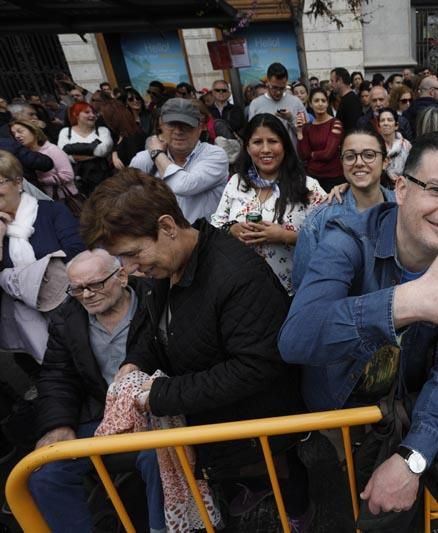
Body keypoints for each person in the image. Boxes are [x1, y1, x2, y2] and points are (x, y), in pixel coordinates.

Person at [80, 168, 312, 529]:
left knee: (284, 495)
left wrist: (160, 394)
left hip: (258, 436)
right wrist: (134, 363)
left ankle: (297, 515)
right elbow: (153, 329)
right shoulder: (165, 266)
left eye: (133, 253)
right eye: (121, 259)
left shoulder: (237, 275)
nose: (130, 269)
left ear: (168, 226)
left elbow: (255, 367)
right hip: (217, 434)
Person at [279, 132, 438, 528]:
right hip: (340, 411)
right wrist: (409, 302)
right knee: (350, 505)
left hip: (408, 409)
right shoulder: (347, 236)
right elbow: (298, 337)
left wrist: (414, 457)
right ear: (403, 189)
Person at [29, 249, 165, 533]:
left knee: (159, 457)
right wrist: (58, 425)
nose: (87, 295)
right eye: (77, 289)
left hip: (155, 411)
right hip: (99, 417)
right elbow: (57, 376)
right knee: (46, 475)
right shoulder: (67, 318)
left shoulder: (156, 300)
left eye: (96, 285)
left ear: (122, 276)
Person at [211, 113, 326, 295]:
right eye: (257, 142)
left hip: (294, 292)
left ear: (285, 146)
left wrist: (285, 236)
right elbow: (215, 226)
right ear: (247, 147)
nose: (265, 149)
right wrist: (232, 229)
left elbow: (329, 236)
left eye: (273, 141)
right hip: (244, 291)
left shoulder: (308, 187)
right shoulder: (236, 182)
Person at [0, 150, 84, 360]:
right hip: (28, 330)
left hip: (74, 311)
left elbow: (76, 252)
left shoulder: (50, 211)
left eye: (0, 182)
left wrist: (33, 281)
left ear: (19, 183)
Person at [293, 127, 395, 287]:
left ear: (385, 162)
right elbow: (305, 289)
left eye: (369, 155)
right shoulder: (319, 222)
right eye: (350, 156)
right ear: (341, 163)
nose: (359, 163)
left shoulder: (403, 209)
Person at [129, 98, 229, 223]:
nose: (178, 131)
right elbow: (130, 199)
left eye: (187, 125)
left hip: (205, 239)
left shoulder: (214, 155)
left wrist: (157, 154)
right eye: (172, 124)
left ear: (200, 127)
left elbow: (184, 186)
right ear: (161, 124)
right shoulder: (144, 159)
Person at [9, 119, 76, 200]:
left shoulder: (51, 149)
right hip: (42, 198)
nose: (17, 136)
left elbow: (67, 175)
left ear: (34, 131)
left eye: (20, 131)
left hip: (63, 197)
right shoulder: (25, 155)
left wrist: (41, 181)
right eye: (14, 134)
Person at [57, 101, 113, 196]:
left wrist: (73, 151)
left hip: (102, 177)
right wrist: (94, 149)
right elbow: (63, 154)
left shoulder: (102, 131)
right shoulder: (66, 132)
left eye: (93, 112)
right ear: (76, 114)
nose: (92, 115)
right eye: (87, 112)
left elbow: (102, 151)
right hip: (79, 179)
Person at [297, 87, 345, 192]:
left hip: (333, 178)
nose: (320, 104)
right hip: (313, 178)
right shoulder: (307, 127)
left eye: (323, 100)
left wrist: (313, 154)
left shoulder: (336, 123)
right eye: (316, 101)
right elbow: (304, 155)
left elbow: (328, 153)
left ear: (327, 104)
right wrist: (300, 132)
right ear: (310, 104)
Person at [249, 63, 307, 146]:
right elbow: (252, 135)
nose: (278, 92)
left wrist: (290, 119)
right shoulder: (255, 104)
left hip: (291, 154)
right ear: (267, 82)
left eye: (282, 88)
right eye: (275, 87)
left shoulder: (296, 102)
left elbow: (305, 132)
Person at [100, 98, 147, 169]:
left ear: (113, 119)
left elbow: (135, 168)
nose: (104, 121)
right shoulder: (120, 133)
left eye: (105, 118)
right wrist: (114, 154)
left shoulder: (132, 138)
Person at [376, 107, 412, 184]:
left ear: (396, 125)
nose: (386, 123)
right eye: (382, 120)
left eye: (390, 120)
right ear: (378, 127)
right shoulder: (374, 147)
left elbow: (412, 168)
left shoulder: (406, 145)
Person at [330, 67, 363, 133]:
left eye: (332, 81)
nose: (330, 84)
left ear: (339, 80)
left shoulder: (351, 101)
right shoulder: (345, 99)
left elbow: (353, 128)